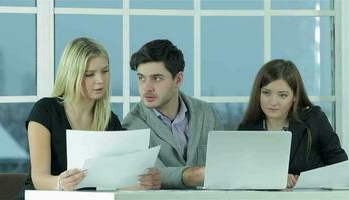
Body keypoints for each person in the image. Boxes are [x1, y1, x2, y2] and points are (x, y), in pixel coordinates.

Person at [17, 37, 160, 199]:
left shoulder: (110, 121)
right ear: (72, 75)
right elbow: (39, 178)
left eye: (105, 71)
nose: (100, 80)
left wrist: (145, 182)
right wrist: (60, 183)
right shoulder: (45, 110)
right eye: (89, 74)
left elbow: (119, 182)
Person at [122, 39, 223, 189]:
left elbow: (223, 166)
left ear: (178, 79)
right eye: (141, 78)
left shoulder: (207, 113)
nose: (146, 88)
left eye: (156, 78)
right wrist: (192, 175)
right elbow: (151, 175)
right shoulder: (131, 126)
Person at [238, 59, 348, 188]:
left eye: (282, 95)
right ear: (258, 93)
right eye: (266, 93)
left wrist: (303, 181)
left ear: (295, 96)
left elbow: (341, 169)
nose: (273, 102)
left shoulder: (314, 120)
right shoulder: (247, 130)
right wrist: (275, 179)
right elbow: (239, 177)